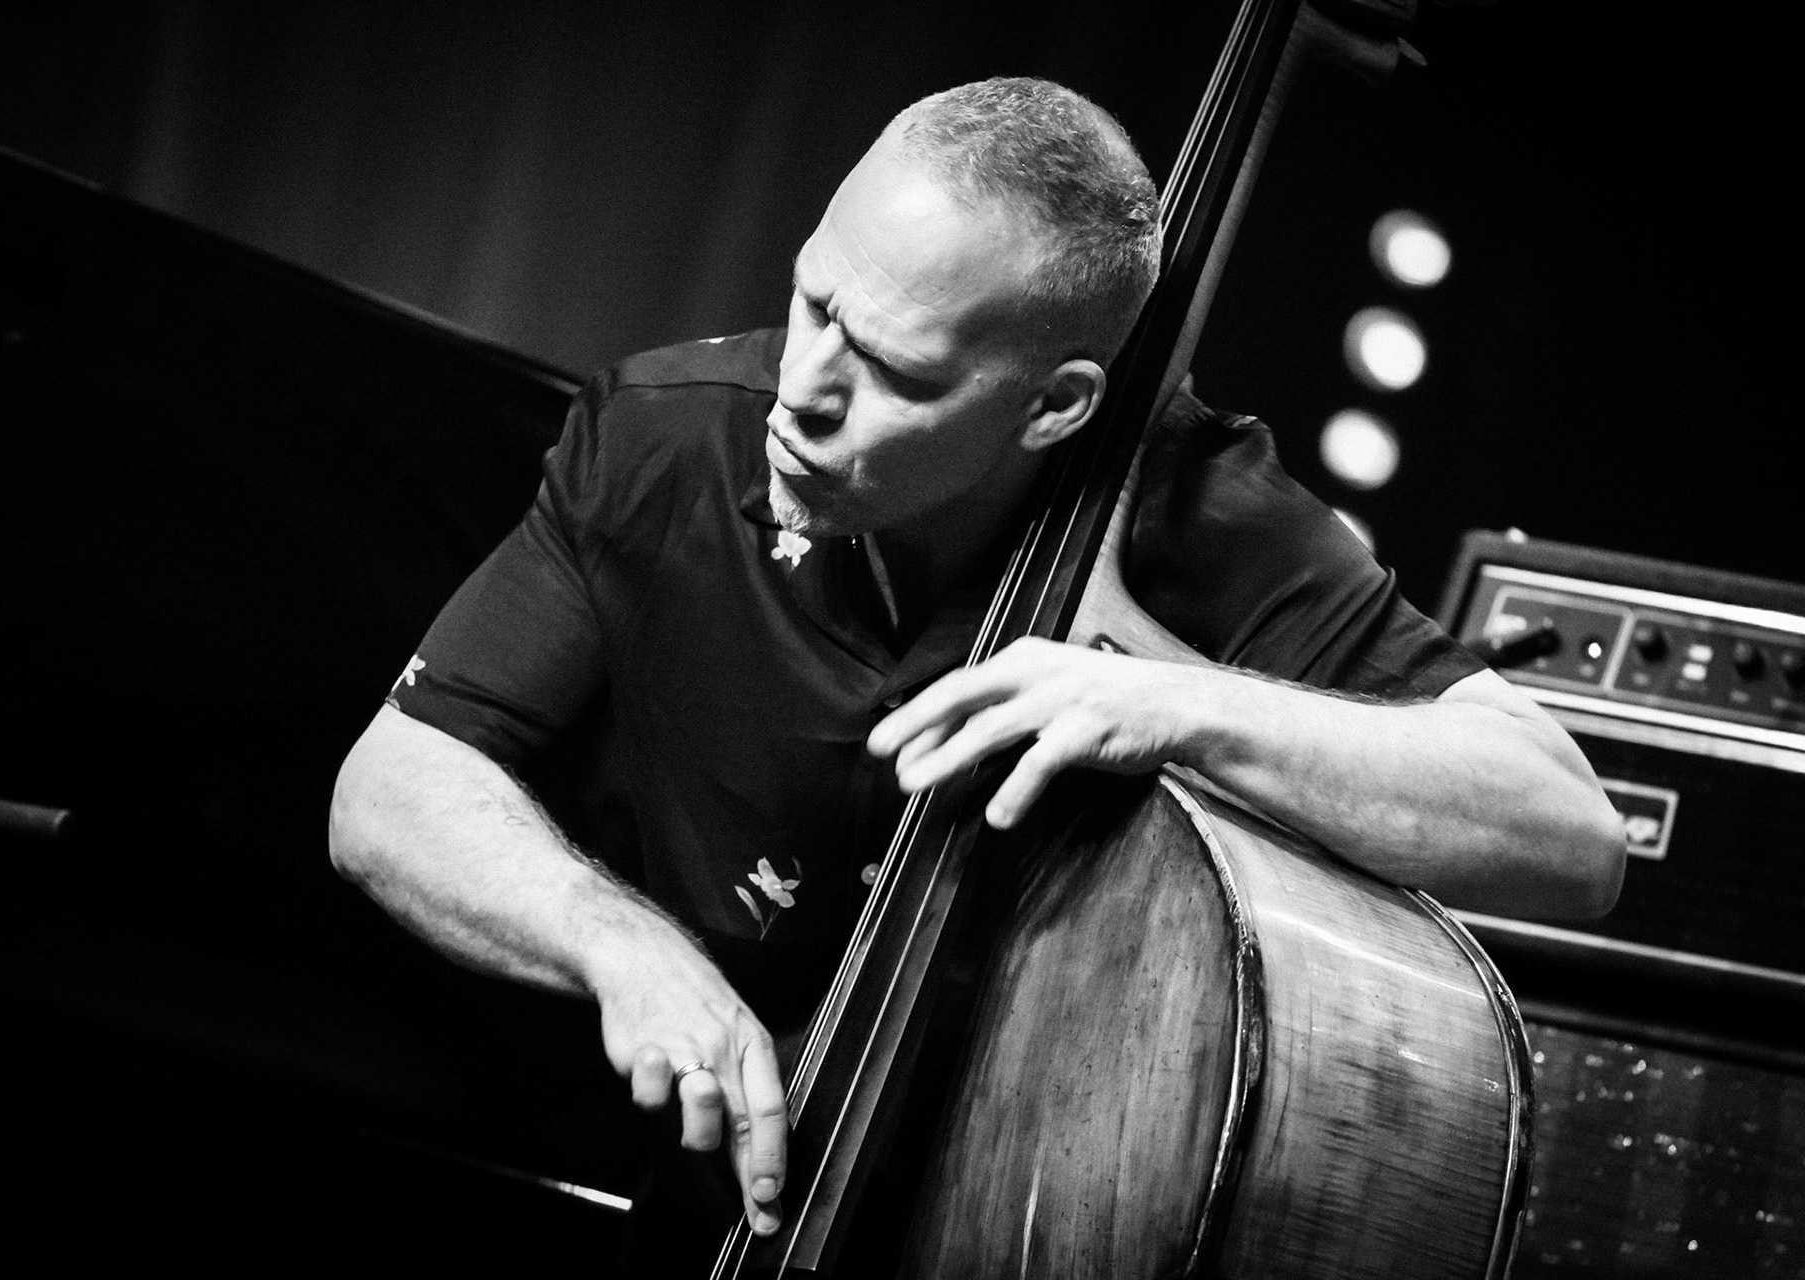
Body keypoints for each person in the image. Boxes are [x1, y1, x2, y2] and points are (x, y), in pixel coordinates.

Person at [328, 76, 1625, 1266]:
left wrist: (1180, 704)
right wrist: (623, 945)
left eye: (890, 368)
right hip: (701, 1206)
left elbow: (1566, 835)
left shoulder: (1203, 519)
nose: (805, 389)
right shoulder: (664, 439)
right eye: (814, 301)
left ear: (1055, 404)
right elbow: (391, 782)